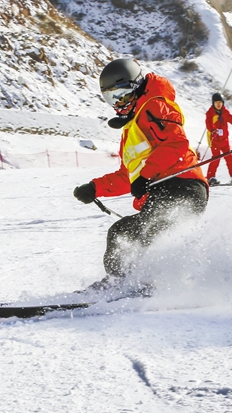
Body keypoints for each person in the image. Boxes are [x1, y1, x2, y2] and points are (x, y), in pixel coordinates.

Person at [73, 58, 208, 286]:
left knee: (132, 233)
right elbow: (129, 176)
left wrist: (146, 175)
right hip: (164, 190)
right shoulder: (132, 126)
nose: (118, 103)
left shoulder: (155, 105)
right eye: (111, 98)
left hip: (181, 186)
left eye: (122, 94)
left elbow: (176, 144)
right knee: (125, 232)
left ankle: (126, 284)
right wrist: (95, 188)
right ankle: (134, 282)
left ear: (136, 86)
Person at [205, 93, 232, 186]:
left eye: (220, 102)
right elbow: (209, 123)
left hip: (224, 140)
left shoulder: (225, 112)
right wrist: (213, 130)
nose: (218, 104)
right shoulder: (210, 113)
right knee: (216, 159)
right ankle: (210, 177)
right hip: (215, 141)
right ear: (213, 103)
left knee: (229, 158)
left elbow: (231, 118)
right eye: (216, 102)